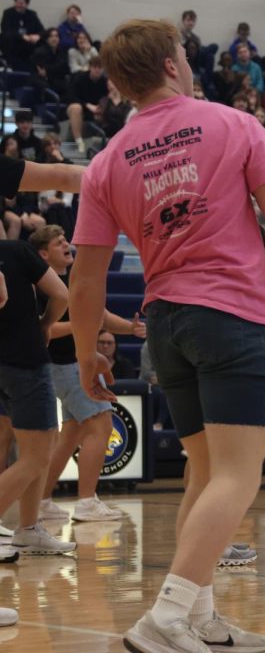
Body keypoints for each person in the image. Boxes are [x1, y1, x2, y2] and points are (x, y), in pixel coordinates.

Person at [69, 19, 265, 653]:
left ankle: (202, 615)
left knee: (206, 470)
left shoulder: (105, 163)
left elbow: (88, 276)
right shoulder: (232, 123)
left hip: (166, 324)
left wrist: (88, 350)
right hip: (231, 313)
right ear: (173, 65)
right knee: (241, 474)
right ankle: (168, 614)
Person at [30, 224, 146, 523]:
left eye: (66, 239)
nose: (67, 244)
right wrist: (81, 325)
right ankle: (86, 502)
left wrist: (131, 328)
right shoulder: (40, 288)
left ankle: (42, 501)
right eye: (59, 243)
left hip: (70, 365)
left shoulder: (72, 281)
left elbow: (102, 316)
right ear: (44, 254)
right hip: (62, 364)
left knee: (71, 436)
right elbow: (45, 331)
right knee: (101, 425)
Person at [0, 235, 76, 604]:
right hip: (25, 361)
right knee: (36, 455)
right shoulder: (15, 250)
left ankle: (29, 528)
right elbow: (62, 294)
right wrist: (45, 325)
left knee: (30, 452)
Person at [1, 0, 45, 64]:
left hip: (29, 43)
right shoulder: (8, 13)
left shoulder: (32, 14)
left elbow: (42, 29)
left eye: (21, 3)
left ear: (27, 4)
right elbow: (6, 30)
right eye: (17, 2)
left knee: (43, 41)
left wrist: (38, 36)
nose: (18, 5)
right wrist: (22, 36)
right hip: (14, 42)